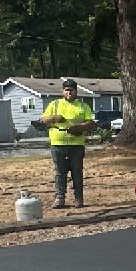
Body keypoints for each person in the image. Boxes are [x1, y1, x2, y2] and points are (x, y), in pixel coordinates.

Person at [40, 78, 96, 208]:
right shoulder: (55, 104)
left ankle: (78, 198)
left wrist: (79, 128)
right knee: (60, 172)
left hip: (76, 144)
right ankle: (60, 198)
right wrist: (54, 118)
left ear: (76, 92)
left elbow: (91, 123)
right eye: (66, 90)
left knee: (77, 171)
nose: (69, 92)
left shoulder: (83, 106)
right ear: (63, 92)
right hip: (58, 144)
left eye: (71, 90)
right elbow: (43, 120)